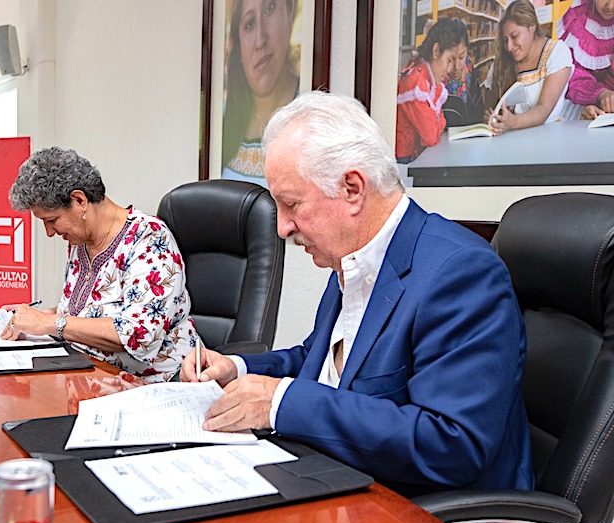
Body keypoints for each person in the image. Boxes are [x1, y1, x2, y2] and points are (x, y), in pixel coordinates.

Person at [181, 91, 534, 498]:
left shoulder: (461, 273)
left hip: (416, 511)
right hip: (337, 483)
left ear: (352, 188)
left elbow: (450, 443)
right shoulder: (353, 258)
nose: (282, 228)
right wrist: (238, 368)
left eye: (291, 204)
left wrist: (279, 402)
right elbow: (320, 359)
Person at [3, 147, 197, 382]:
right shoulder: (80, 241)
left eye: (52, 220)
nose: (49, 232)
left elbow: (139, 334)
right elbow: (92, 309)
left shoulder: (149, 237)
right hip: (93, 378)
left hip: (155, 386)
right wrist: (38, 317)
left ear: (79, 200)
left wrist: (49, 322)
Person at [221, 0, 300, 184]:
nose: (260, 40)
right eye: (249, 24)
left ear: (290, 12)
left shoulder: (312, 118)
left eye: (270, 9)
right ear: (239, 48)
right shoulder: (221, 119)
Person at [483, 0, 573, 134]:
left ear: (532, 26)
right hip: (508, 142)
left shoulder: (557, 53)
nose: (509, 47)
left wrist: (513, 122)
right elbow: (490, 103)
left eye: (514, 36)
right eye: (505, 40)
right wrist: (491, 116)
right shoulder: (502, 59)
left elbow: (544, 109)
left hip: (548, 139)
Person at [396, 17, 468, 162]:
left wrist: (437, 121)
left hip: (412, 155)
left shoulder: (426, 77)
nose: (450, 69)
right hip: (402, 159)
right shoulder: (417, 85)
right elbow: (430, 136)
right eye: (449, 60)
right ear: (436, 51)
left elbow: (437, 122)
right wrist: (438, 121)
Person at [556, 0, 614, 120]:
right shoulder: (576, 17)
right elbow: (569, 73)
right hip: (583, 108)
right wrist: (600, 94)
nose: (610, 6)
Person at [442, 44, 486, 126]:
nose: (457, 67)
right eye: (450, 60)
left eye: (461, 57)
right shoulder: (435, 77)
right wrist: (457, 86)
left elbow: (479, 110)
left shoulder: (468, 65)